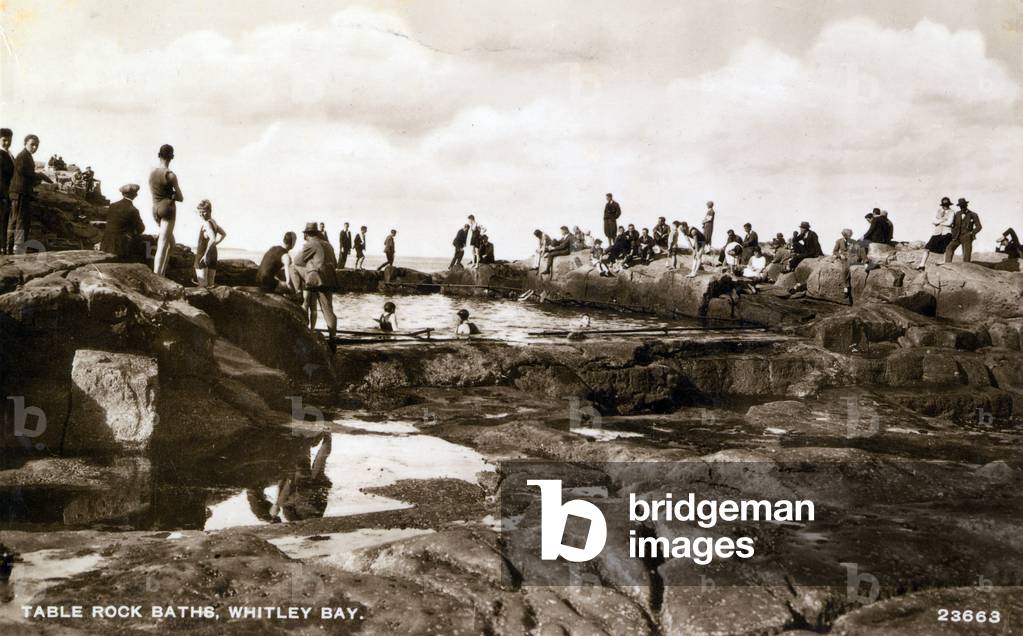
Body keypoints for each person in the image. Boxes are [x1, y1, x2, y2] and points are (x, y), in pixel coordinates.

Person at [293, 222, 339, 347]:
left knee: (293, 267)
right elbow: (336, 263)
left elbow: (297, 261)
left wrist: (310, 265)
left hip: (316, 279)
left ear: (307, 234)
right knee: (328, 309)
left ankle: (297, 293)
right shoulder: (328, 245)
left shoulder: (311, 244)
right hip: (329, 280)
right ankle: (333, 337)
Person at [149, 144, 183, 275]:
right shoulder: (170, 175)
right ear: (172, 157)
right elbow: (180, 197)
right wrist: (173, 195)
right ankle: (157, 277)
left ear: (159, 155)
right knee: (162, 245)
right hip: (167, 208)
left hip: (155, 209)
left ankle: (161, 274)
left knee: (171, 245)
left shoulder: (152, 172)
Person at [8, 134, 39, 253]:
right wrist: (39, 176)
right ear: (25, 143)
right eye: (32, 144)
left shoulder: (27, 156)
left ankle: (11, 245)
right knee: (20, 220)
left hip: (21, 192)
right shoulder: (23, 156)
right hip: (20, 193)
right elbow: (23, 172)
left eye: (36, 145)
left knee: (16, 219)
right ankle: (17, 246)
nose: (34, 147)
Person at [101, 184, 146, 262]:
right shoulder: (133, 210)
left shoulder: (112, 206)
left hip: (107, 243)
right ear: (135, 195)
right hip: (121, 247)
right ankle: (147, 264)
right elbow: (141, 229)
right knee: (148, 242)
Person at [194, 199, 226, 288]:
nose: (201, 214)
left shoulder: (207, 224)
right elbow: (223, 234)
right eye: (199, 212)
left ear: (209, 211)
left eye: (203, 212)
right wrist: (216, 243)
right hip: (213, 255)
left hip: (203, 255)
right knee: (211, 285)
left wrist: (205, 255)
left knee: (202, 286)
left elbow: (212, 239)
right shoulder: (213, 222)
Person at [917, 197, 955, 269]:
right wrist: (943, 220)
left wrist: (939, 222)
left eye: (947, 205)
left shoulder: (952, 212)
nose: (945, 206)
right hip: (937, 232)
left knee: (946, 249)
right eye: (944, 205)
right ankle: (922, 265)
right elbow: (933, 221)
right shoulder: (938, 211)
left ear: (949, 205)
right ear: (942, 205)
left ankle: (944, 263)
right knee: (927, 248)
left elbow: (949, 223)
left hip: (947, 232)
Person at [944, 198, 982, 264]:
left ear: (966, 205)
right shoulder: (957, 214)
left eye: (963, 206)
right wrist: (953, 233)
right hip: (956, 237)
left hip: (967, 237)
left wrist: (971, 233)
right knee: (949, 247)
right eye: (960, 206)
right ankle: (948, 264)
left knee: (966, 256)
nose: (962, 208)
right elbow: (953, 225)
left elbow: (979, 227)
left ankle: (966, 270)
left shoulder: (973, 214)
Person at [0, 129, 13, 255]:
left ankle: (3, 246)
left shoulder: (8, 153)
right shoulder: (1, 154)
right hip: (2, 194)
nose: (7, 142)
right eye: (4, 140)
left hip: (7, 193)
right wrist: (3, 195)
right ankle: (1, 248)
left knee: (5, 221)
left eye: (9, 140)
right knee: (2, 221)